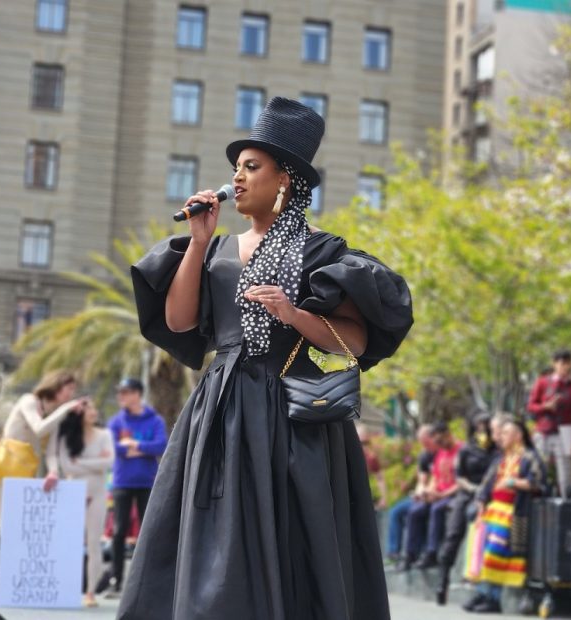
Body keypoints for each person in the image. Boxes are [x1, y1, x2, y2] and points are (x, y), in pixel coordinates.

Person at [117, 97, 413, 620]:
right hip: (222, 407)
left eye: (252, 168)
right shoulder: (215, 247)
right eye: (237, 169)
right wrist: (198, 241)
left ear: (285, 180)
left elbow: (355, 343)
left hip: (292, 416)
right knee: (213, 538)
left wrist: (292, 313)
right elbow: (182, 322)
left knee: (295, 540)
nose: (238, 179)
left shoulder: (322, 252)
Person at [464, 416, 546, 614]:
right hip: (493, 510)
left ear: (518, 436)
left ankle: (493, 598)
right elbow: (486, 483)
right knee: (482, 550)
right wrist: (481, 502)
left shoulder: (529, 457)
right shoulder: (501, 458)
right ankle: (483, 593)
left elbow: (539, 483)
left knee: (495, 552)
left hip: (513, 512)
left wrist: (514, 483)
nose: (500, 437)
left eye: (506, 433)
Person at [0, 369, 85, 524]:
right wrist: (66, 409)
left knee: (22, 527)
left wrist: (53, 471)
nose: (71, 395)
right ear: (56, 385)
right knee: (7, 527)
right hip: (4, 471)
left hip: (26, 474)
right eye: (70, 389)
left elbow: (52, 451)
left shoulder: (55, 415)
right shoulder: (29, 401)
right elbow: (39, 428)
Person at [46, 398, 114, 607]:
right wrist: (94, 464)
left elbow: (109, 463)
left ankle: (91, 592)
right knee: (69, 543)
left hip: (98, 494)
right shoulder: (68, 437)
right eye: (88, 408)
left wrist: (82, 462)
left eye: (94, 407)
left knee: (94, 544)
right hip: (73, 493)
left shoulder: (105, 435)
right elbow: (67, 466)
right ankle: (63, 588)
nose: (93, 411)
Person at [104, 378, 167, 599]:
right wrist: (144, 450)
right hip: (122, 484)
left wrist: (136, 445)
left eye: (126, 392)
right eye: (119, 392)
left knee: (147, 532)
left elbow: (162, 445)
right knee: (119, 532)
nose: (121, 396)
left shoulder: (155, 420)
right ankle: (115, 582)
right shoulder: (116, 422)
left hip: (148, 483)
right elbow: (114, 448)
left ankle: (147, 584)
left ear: (138, 394)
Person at [436, 412, 498, 605]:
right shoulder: (467, 449)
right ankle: (442, 581)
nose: (482, 430)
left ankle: (478, 584)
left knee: (476, 525)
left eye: (485, 426)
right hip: (467, 493)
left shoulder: (497, 450)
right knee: (453, 534)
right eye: (478, 426)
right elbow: (459, 476)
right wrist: (472, 488)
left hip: (488, 496)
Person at [526, 349, 571, 498]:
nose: (565, 367)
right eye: (562, 363)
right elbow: (531, 406)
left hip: (564, 433)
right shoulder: (542, 382)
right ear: (554, 364)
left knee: (565, 476)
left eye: (568, 364)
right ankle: (537, 504)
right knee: (539, 472)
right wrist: (545, 407)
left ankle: (566, 505)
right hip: (543, 431)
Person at [405, 422, 461, 570]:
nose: (439, 445)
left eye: (441, 441)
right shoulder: (441, 453)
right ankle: (411, 554)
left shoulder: (461, 451)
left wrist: (441, 495)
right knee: (415, 511)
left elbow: (461, 482)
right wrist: (428, 492)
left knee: (436, 509)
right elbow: (435, 478)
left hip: (452, 495)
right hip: (438, 494)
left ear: (448, 435)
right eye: (437, 442)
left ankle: (432, 552)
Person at [386, 425, 436, 566]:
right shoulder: (424, 456)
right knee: (395, 511)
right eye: (421, 442)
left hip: (436, 496)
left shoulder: (440, 454)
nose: (423, 445)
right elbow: (422, 480)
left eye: (425, 442)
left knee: (415, 513)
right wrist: (420, 492)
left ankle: (413, 554)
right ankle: (393, 552)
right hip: (424, 495)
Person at [357, 425, 388, 511]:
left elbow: (380, 479)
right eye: (361, 442)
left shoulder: (371, 458)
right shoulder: (344, 456)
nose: (364, 446)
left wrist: (384, 498)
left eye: (366, 443)